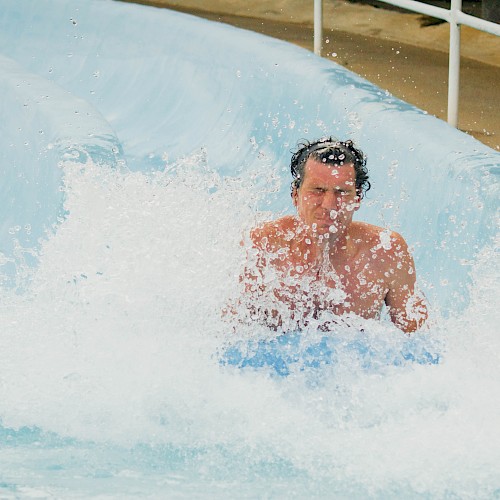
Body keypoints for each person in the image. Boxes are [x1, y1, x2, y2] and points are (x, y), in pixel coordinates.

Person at [240, 137, 428, 334]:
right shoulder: (263, 245)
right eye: (317, 190)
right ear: (296, 195)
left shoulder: (385, 251)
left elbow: (417, 339)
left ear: (357, 198)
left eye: (342, 192)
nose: (329, 205)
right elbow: (231, 332)